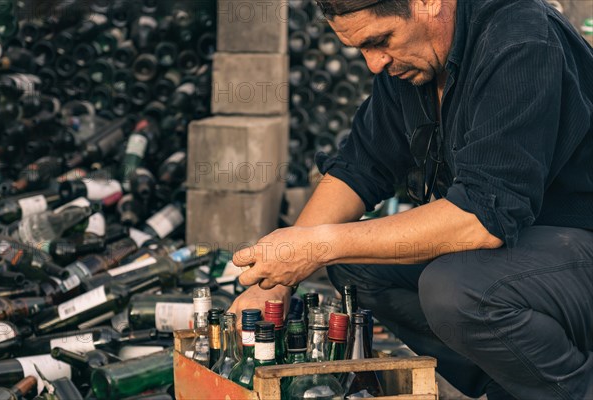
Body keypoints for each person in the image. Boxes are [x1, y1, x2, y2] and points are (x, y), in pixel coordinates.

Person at [228, 0, 593, 397]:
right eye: (362, 49)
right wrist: (277, 281)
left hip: (575, 244)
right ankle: (513, 382)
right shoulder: (413, 64)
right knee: (354, 266)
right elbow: (359, 168)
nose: (373, 64)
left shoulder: (522, 40)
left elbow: (482, 218)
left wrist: (318, 246)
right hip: (524, 256)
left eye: (380, 40)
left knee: (456, 288)